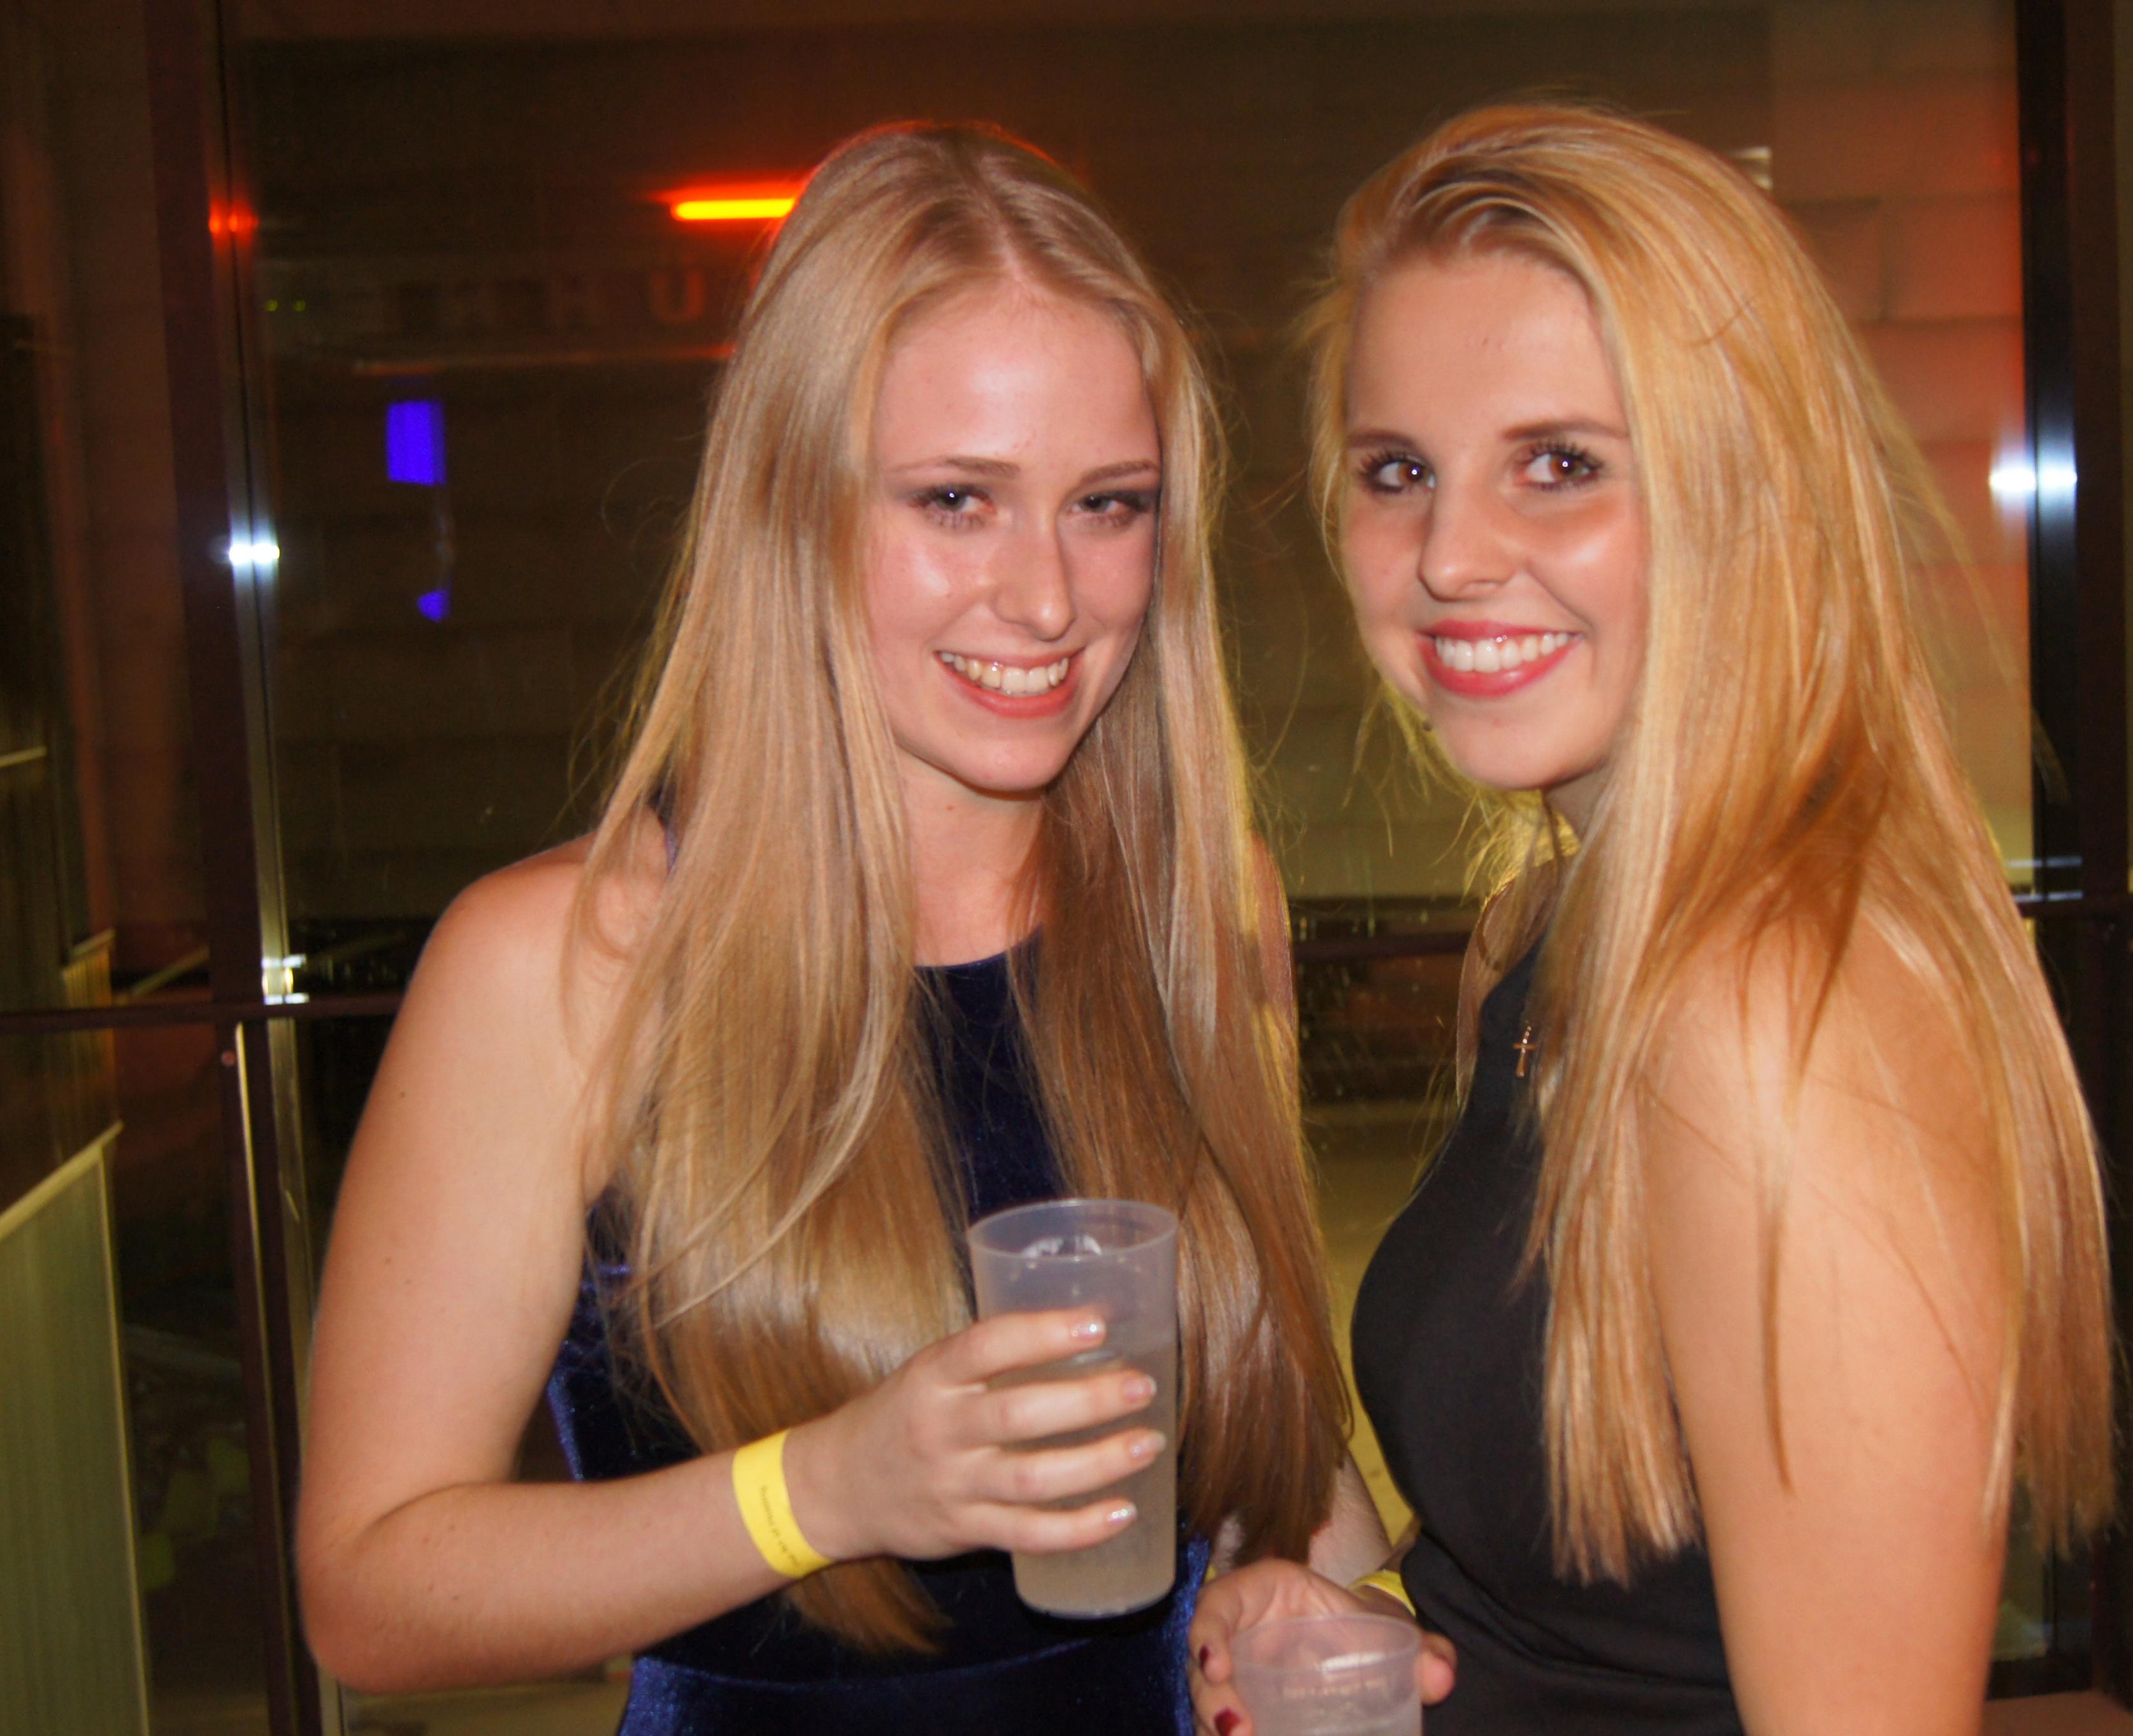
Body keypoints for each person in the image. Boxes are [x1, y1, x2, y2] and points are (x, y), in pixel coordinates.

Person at [298, 122, 1368, 1735]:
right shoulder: (563, 964)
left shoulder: (1206, 908)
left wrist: (1315, 1594)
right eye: (956, 499)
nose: (1047, 597)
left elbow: (1270, 1453)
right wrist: (822, 1493)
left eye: (1107, 504)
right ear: (790, 505)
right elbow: (372, 1593)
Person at [1190, 104, 2113, 1735]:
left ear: (1742, 492)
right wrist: (1355, 1606)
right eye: (1398, 471)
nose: (1449, 555)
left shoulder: (1773, 1011)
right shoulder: (1543, 932)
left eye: (1558, 465)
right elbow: (1549, 1592)